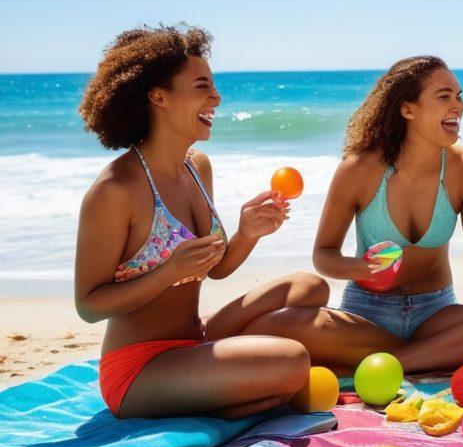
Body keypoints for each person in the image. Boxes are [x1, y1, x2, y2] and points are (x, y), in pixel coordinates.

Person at [77, 24, 331, 419]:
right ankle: (240, 386)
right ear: (159, 97)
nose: (217, 97)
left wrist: (248, 233)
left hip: (195, 339)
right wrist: (168, 271)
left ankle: (234, 382)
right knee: (292, 359)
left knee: (308, 286)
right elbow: (89, 305)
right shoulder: (117, 189)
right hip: (140, 369)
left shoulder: (197, 166)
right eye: (201, 87)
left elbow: (215, 269)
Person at [307, 56, 463, 373]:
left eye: (458, 96)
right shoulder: (360, 169)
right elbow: (323, 255)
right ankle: (433, 356)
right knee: (296, 324)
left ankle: (394, 363)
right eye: (444, 97)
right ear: (407, 109)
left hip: (435, 314)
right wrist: (359, 268)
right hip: (368, 315)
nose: (457, 106)